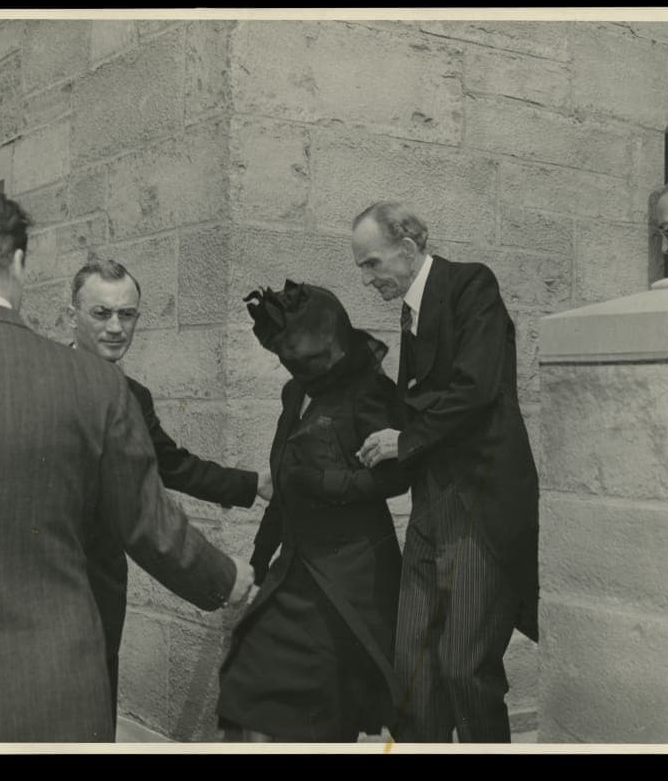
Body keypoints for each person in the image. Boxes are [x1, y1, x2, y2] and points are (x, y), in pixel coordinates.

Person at [0, 188, 253, 742]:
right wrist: (223, 578)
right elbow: (147, 521)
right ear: (19, 265)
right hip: (58, 677)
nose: (115, 326)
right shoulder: (94, 385)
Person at [352, 202, 539, 743]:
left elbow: (475, 390)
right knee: (412, 665)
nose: (366, 279)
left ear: (408, 249)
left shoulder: (470, 285)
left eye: (371, 263)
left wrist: (404, 440)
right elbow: (419, 402)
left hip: (479, 504)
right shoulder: (410, 311)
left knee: (464, 666)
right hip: (431, 504)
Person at [67, 258, 271, 718]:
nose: (116, 327)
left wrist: (254, 484)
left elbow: (172, 465)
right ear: (72, 315)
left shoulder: (133, 396)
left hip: (100, 583)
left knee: (95, 707)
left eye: (127, 314)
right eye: (101, 313)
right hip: (39, 579)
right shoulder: (39, 383)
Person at [217, 280, 410, 742]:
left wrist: (328, 483)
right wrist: (257, 563)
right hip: (295, 571)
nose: (286, 357)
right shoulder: (293, 394)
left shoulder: (367, 391)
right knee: (247, 683)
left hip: (349, 580)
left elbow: (397, 478)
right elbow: (285, 485)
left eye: (293, 346)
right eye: (280, 348)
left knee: (324, 707)